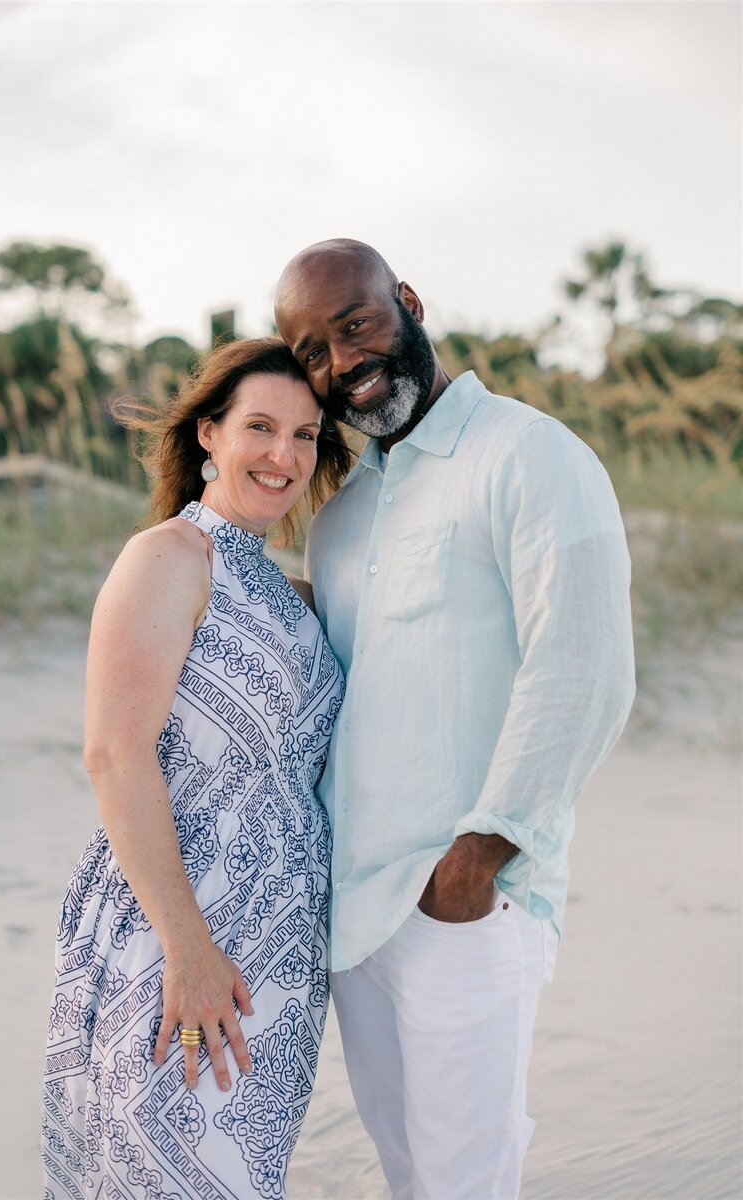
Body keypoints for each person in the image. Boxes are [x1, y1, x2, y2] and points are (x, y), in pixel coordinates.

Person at [274, 239, 636, 1200]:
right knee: (410, 1178)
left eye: (355, 325)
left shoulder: (528, 454)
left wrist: (480, 857)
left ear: (407, 301)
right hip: (355, 912)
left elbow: (584, 665)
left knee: (462, 1184)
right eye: (312, 351)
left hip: (465, 902)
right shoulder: (343, 517)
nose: (343, 362)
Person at [41, 338, 352, 1199]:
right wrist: (189, 948)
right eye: (260, 426)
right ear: (209, 434)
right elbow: (113, 753)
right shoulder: (170, 558)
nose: (284, 455)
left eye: (306, 435)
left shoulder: (285, 591)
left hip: (275, 953)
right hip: (179, 932)